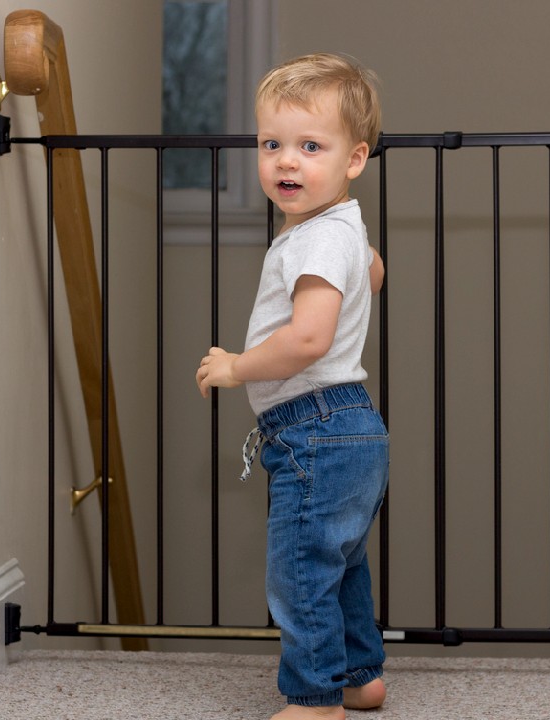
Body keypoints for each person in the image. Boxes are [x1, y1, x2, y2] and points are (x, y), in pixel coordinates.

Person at [195, 52, 388, 720]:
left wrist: (235, 366)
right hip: (350, 429)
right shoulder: (338, 229)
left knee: (301, 570)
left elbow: (307, 339)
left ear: (354, 159)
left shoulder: (314, 240)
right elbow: (374, 271)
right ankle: (360, 678)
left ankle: (314, 701)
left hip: (316, 428)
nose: (286, 162)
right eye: (272, 144)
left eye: (311, 146)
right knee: (341, 566)